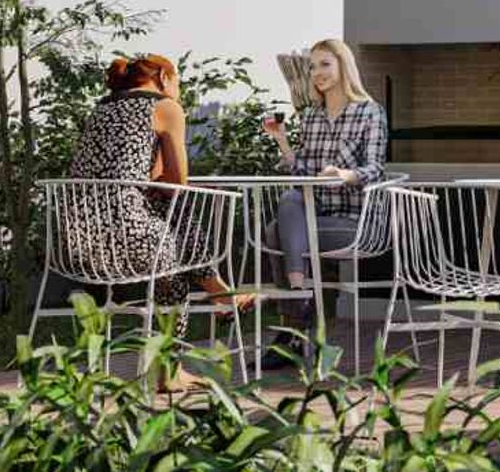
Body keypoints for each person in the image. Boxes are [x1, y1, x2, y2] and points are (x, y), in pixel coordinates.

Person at [65, 54, 252, 390]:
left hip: (78, 242)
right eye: (178, 81)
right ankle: (177, 358)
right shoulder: (165, 107)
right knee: (174, 248)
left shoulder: (102, 108)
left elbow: (142, 177)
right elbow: (177, 183)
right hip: (130, 241)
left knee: (168, 231)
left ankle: (219, 293)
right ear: (165, 78)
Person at [259, 38, 387, 330]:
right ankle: (299, 297)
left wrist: (344, 175)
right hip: (317, 213)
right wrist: (282, 142)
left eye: (325, 64)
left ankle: (294, 322)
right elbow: (304, 174)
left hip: (356, 221)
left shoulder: (370, 112)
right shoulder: (312, 116)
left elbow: (375, 168)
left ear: (344, 66)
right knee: (290, 199)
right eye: (312, 67)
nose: (317, 72)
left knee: (275, 232)